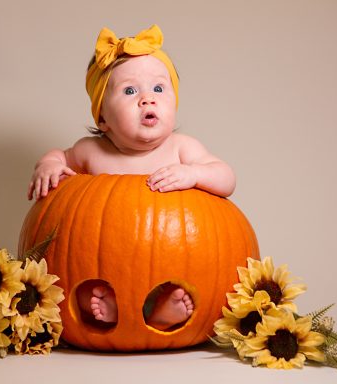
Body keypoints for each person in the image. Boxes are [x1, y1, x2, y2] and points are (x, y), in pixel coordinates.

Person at [27, 25, 236, 331]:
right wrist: (48, 165)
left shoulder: (183, 149)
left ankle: (160, 314)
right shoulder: (91, 152)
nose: (147, 100)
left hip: (168, 255)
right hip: (104, 259)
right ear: (102, 118)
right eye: (129, 91)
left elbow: (226, 178)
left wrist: (193, 173)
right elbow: (60, 156)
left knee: (171, 282)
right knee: (83, 285)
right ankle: (107, 310)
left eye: (159, 89)